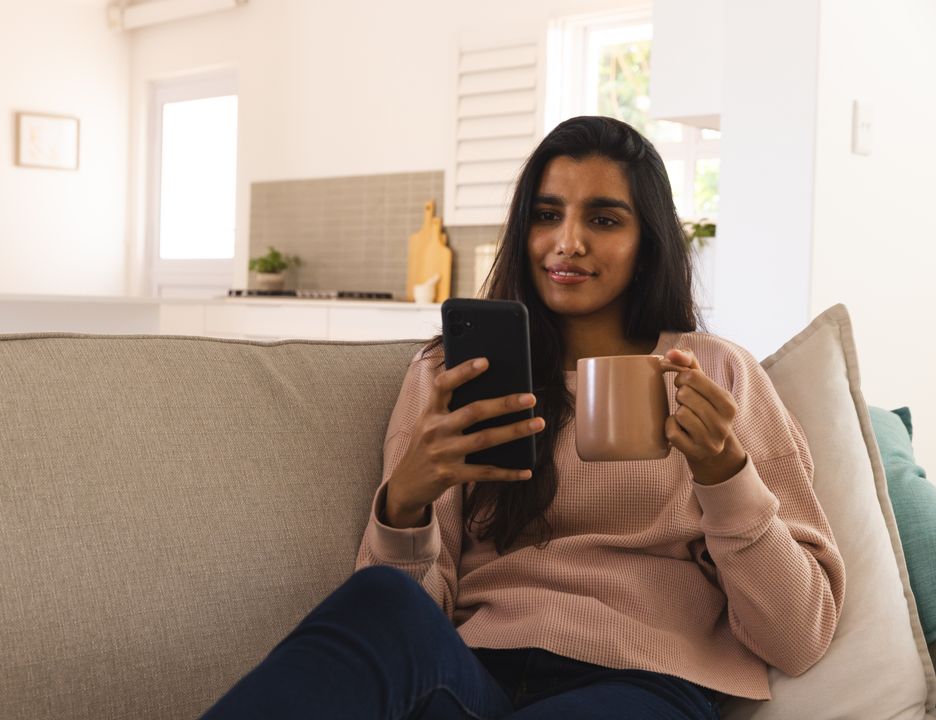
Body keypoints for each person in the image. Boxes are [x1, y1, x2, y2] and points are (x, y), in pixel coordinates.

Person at [200, 116, 846, 719]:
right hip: (472, 676)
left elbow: (797, 636)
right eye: (546, 215)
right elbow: (417, 613)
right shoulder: (453, 373)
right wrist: (405, 504)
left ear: (647, 241)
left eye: (603, 218)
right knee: (380, 598)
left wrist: (724, 472)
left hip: (641, 681)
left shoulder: (717, 374)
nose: (567, 242)